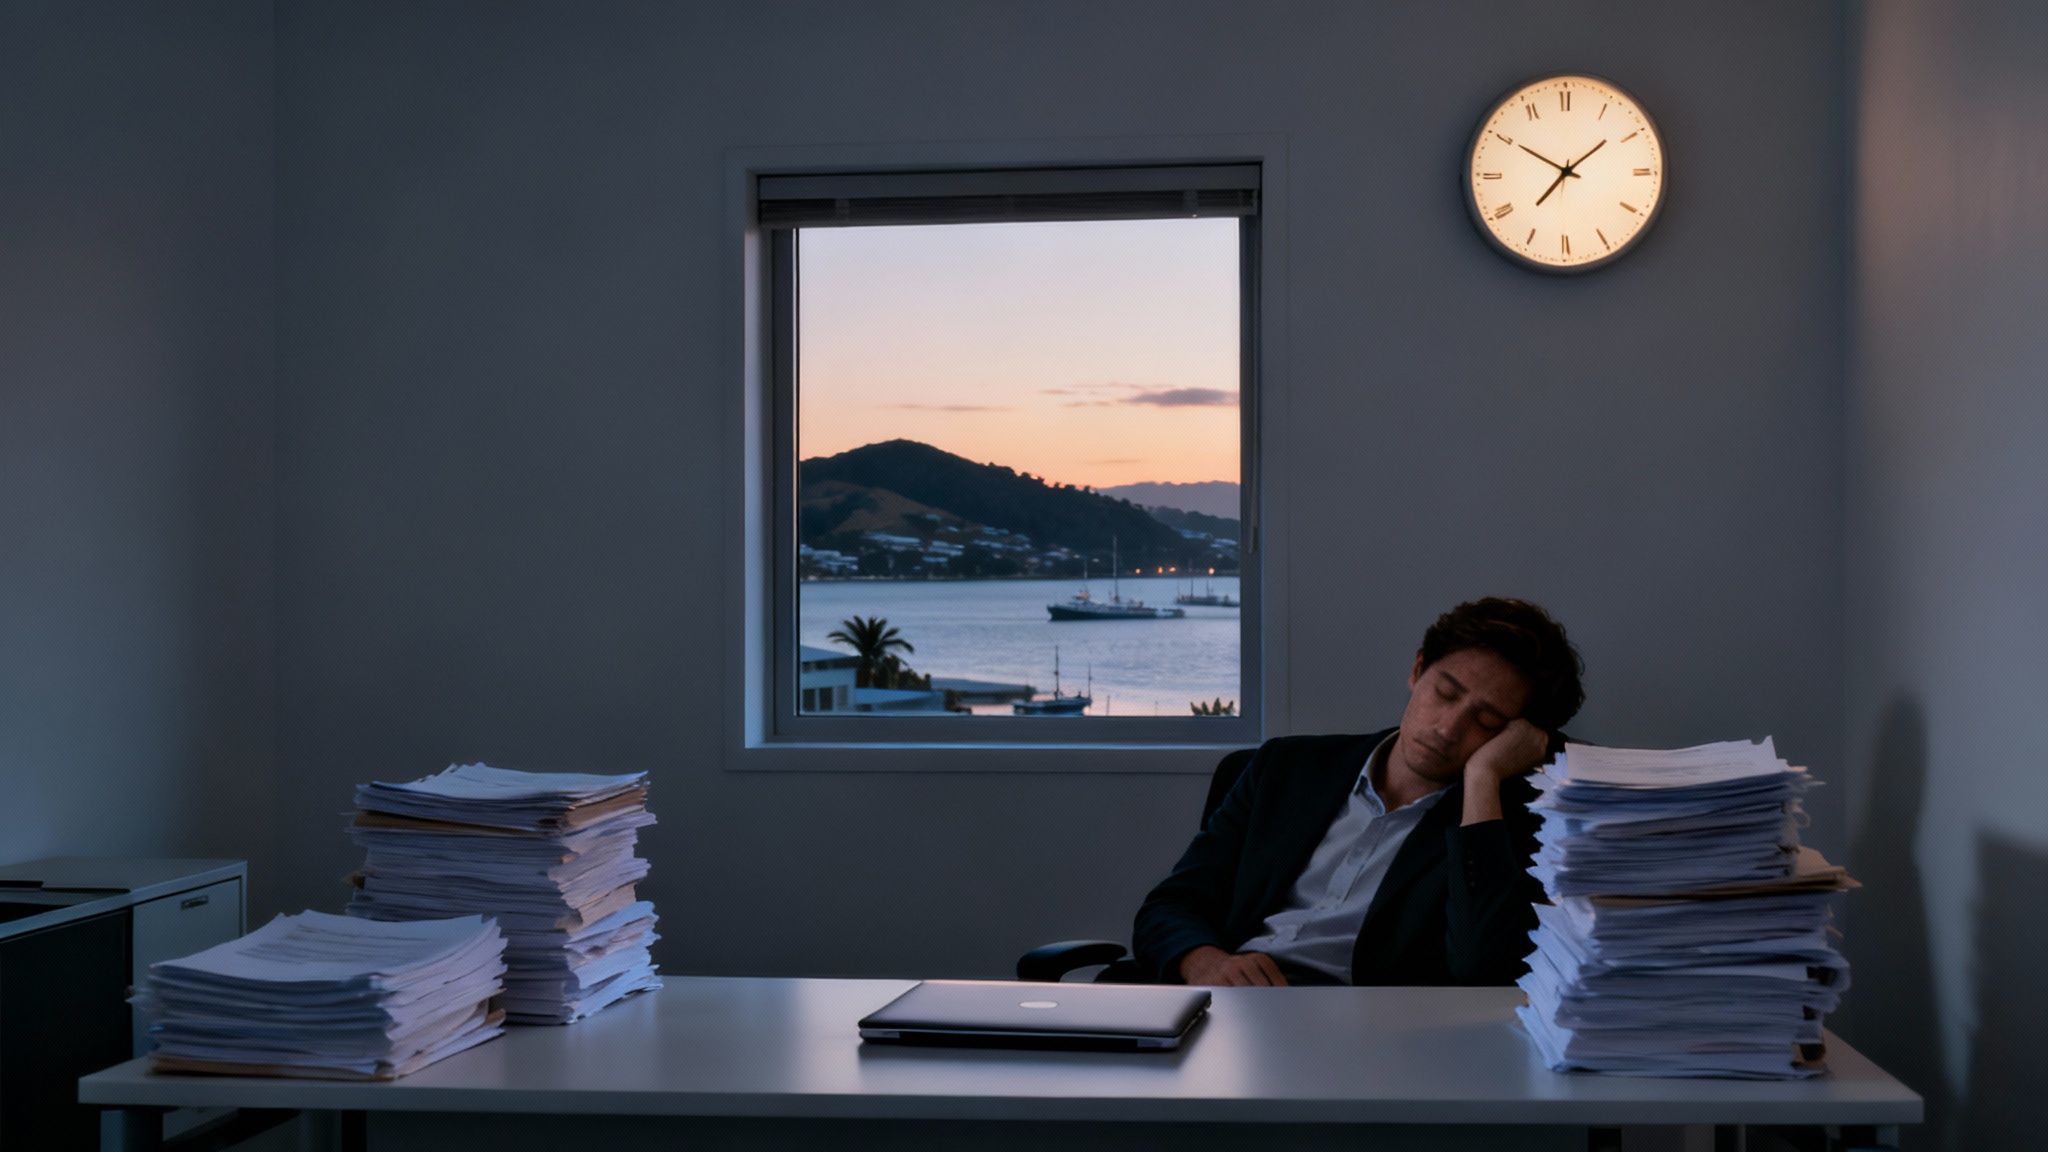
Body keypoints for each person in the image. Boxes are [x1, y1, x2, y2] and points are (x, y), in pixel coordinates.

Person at [1132, 597, 1584, 987]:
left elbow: (1481, 968)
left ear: (1517, 739)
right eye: (1446, 694)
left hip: (1370, 1029)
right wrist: (1205, 962)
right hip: (1232, 1002)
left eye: (1486, 723)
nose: (1448, 729)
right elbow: (1171, 904)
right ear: (1417, 670)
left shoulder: (1507, 823)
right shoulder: (1285, 768)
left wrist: (1483, 777)